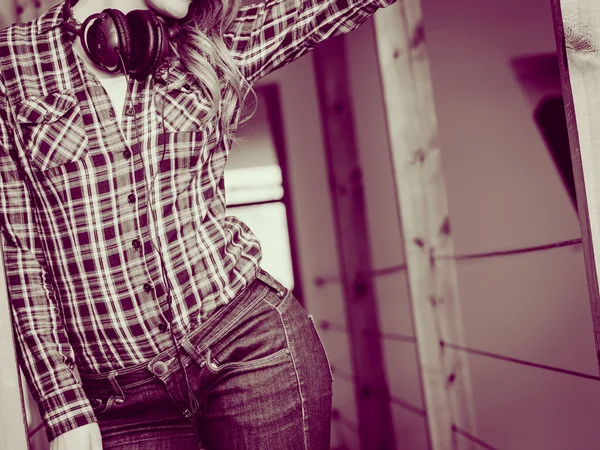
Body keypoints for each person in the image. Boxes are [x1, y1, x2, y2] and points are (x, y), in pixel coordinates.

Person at [0, 0, 395, 448]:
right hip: (119, 404)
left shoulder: (209, 42)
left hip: (250, 350)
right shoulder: (12, 60)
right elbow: (23, 252)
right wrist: (63, 406)